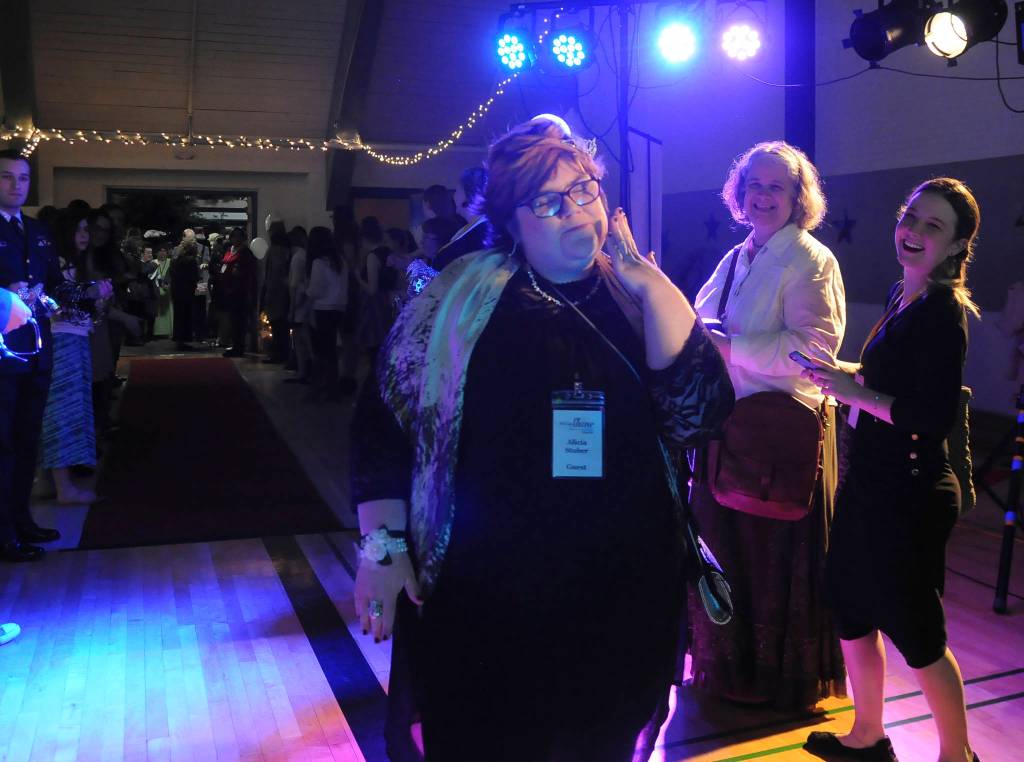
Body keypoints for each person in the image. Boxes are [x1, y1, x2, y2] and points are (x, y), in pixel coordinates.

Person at [351, 117, 734, 760]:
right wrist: (383, 545)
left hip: (622, 585)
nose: (574, 212)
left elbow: (699, 416)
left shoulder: (632, 296)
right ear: (511, 220)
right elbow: (382, 423)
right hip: (490, 592)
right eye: (548, 202)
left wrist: (651, 283)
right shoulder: (457, 302)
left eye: (583, 190)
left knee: (602, 737)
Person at [803, 178, 983, 762]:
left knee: (916, 632)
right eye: (910, 217)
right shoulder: (901, 295)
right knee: (852, 608)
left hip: (909, 492)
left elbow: (926, 417)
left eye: (933, 226)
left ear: (956, 247)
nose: (913, 232)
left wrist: (849, 392)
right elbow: (893, 382)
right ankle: (867, 736)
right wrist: (838, 372)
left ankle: (957, 756)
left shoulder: (943, 313)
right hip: (873, 482)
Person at [689, 140, 847, 709]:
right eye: (753, 184)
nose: (762, 195)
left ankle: (775, 681)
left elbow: (816, 352)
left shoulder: (811, 259)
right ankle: (729, 671)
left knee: (766, 559)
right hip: (727, 433)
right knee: (726, 556)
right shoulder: (737, 257)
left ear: (798, 198)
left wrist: (729, 347)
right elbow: (702, 323)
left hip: (777, 443)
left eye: (776, 186)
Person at [0, 149, 66, 561]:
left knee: (27, 441)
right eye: (7, 177)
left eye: (22, 178)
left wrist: (58, 298)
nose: (16, 185)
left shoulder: (39, 230)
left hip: (38, 350)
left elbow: (55, 283)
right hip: (4, 354)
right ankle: (4, 532)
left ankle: (21, 520)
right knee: (3, 444)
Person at [40, 210, 112, 504]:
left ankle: (53, 482)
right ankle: (63, 487)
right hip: (62, 342)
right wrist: (91, 292)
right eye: (79, 229)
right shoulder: (57, 266)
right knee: (64, 413)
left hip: (75, 340)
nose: (85, 234)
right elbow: (53, 298)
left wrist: (98, 299)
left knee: (71, 411)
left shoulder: (73, 265)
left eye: (87, 229)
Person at [305, 226, 348, 401]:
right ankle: (331, 388)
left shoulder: (318, 263)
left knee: (320, 351)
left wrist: (305, 294)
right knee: (330, 349)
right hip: (338, 308)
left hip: (322, 309)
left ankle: (318, 388)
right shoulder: (340, 261)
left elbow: (316, 290)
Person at [432, 166, 489, 270]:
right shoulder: (477, 229)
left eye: (457, 190)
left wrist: (414, 267)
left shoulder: (481, 235)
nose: (454, 195)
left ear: (469, 195)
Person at [355, 217, 394, 362]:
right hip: (390, 303)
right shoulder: (389, 251)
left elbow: (372, 289)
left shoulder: (373, 256)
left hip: (376, 307)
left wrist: (358, 277)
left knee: (375, 350)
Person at [219, 228, 257, 357]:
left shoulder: (245, 253)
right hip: (228, 290)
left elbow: (248, 272)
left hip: (239, 291)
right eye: (234, 237)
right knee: (232, 319)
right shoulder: (229, 251)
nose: (236, 240)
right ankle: (235, 344)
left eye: (239, 237)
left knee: (238, 320)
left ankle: (239, 346)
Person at [260, 229, 292, 363]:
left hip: (275, 293)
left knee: (278, 326)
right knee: (281, 326)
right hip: (282, 293)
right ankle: (283, 353)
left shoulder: (274, 252)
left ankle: (279, 354)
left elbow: (271, 274)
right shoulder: (287, 252)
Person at [286, 226, 313, 384]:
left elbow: (294, 285)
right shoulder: (307, 256)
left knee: (301, 340)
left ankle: (303, 371)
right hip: (307, 303)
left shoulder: (297, 258)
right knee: (305, 338)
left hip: (299, 303)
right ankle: (307, 370)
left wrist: (292, 307)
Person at [170, 240, 200, 350]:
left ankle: (178, 339)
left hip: (176, 291)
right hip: (187, 291)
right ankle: (184, 339)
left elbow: (172, 274)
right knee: (186, 315)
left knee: (178, 316)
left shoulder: (176, 260)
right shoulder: (192, 261)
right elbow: (194, 277)